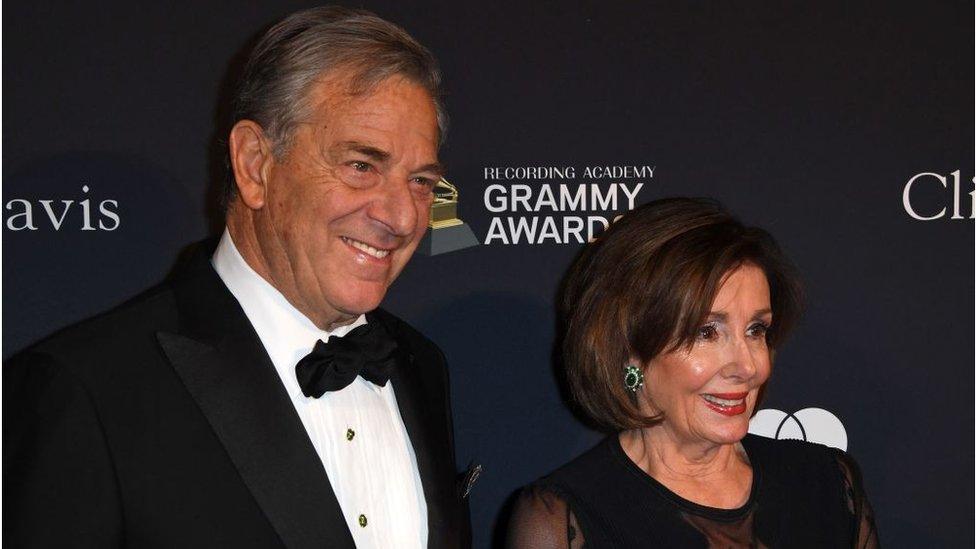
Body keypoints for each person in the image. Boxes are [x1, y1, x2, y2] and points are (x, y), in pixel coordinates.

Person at [4, 7, 470, 548]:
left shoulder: (419, 364)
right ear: (254, 165)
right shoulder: (83, 390)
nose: (404, 217)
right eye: (361, 166)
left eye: (420, 181)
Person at [507, 197, 879, 548]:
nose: (748, 367)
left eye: (756, 330)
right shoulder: (565, 516)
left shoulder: (825, 483)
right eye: (706, 332)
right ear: (629, 349)